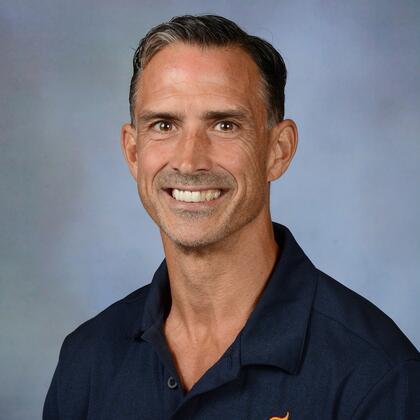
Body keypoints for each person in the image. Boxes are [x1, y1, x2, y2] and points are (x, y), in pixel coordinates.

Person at [43, 14, 420, 419]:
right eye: (164, 124)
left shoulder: (377, 376)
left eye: (224, 125)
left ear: (278, 150)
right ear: (134, 152)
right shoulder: (88, 360)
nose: (189, 160)